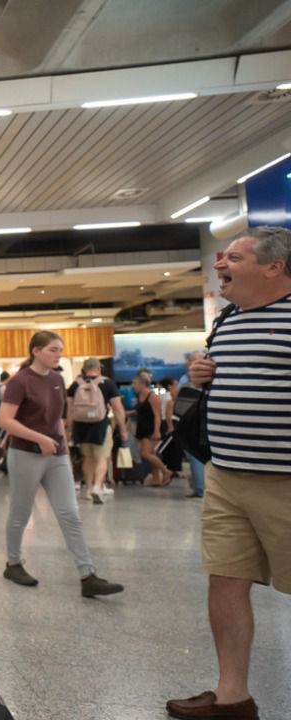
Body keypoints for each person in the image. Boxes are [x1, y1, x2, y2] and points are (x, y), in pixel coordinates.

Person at [166, 226, 291, 720]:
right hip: (226, 475)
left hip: (284, 480)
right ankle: (232, 696)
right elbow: (219, 379)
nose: (220, 265)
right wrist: (200, 374)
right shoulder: (229, 319)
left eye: (234, 258)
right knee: (226, 581)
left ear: (273, 267)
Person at [0, 331, 124, 598]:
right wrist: (39, 438)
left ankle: (87, 574)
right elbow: (4, 420)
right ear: (36, 351)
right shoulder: (20, 381)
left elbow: (56, 419)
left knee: (70, 514)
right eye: (53, 349)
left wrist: (63, 445)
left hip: (56, 455)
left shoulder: (57, 379)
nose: (59, 354)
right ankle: (13, 563)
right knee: (20, 512)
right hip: (25, 454)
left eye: (60, 350)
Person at [66, 357, 128, 504]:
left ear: (84, 368)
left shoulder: (75, 385)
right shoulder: (107, 383)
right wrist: (123, 429)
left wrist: (69, 429)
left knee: (88, 458)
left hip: (81, 426)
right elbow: (118, 409)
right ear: (99, 368)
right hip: (100, 424)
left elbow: (69, 410)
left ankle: (87, 490)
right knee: (102, 457)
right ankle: (97, 487)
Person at [132, 374, 170, 487]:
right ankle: (156, 478)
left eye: (135, 383)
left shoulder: (153, 396)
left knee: (145, 453)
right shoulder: (139, 395)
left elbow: (157, 415)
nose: (133, 386)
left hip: (152, 428)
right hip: (143, 428)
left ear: (142, 384)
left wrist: (157, 431)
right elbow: (139, 410)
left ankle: (165, 471)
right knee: (152, 453)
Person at [181, 351, 208, 499]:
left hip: (196, 424)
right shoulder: (187, 379)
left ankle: (200, 488)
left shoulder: (194, 381)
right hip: (195, 423)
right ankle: (200, 487)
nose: (187, 364)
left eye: (190, 361)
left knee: (196, 456)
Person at [159, 377, 184, 481]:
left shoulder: (163, 396)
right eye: (175, 385)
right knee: (173, 448)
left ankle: (172, 469)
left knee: (171, 448)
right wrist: (170, 426)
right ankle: (172, 470)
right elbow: (168, 413)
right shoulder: (169, 397)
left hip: (166, 422)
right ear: (169, 386)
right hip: (171, 423)